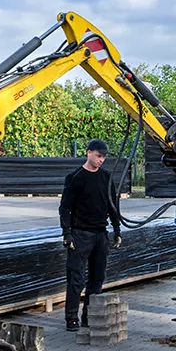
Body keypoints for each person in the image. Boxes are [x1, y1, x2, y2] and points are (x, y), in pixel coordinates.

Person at [59, 138, 122, 331]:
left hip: (100, 235)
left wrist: (117, 229)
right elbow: (65, 208)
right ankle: (72, 319)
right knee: (76, 279)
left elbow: (113, 207)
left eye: (103, 157)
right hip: (80, 235)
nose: (101, 160)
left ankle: (89, 316)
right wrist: (67, 233)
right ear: (89, 153)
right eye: (98, 156)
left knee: (97, 278)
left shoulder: (106, 178)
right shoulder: (75, 177)